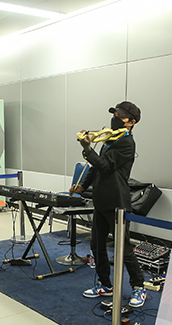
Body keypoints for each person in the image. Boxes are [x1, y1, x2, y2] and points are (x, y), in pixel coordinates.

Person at [69, 101, 147, 308]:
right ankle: (105, 284)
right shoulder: (110, 140)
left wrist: (87, 149)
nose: (114, 117)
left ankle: (139, 287)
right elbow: (95, 169)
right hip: (101, 200)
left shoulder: (126, 143)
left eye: (119, 115)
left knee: (124, 248)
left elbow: (104, 165)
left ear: (131, 122)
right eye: (114, 113)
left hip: (117, 202)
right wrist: (82, 186)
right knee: (96, 245)